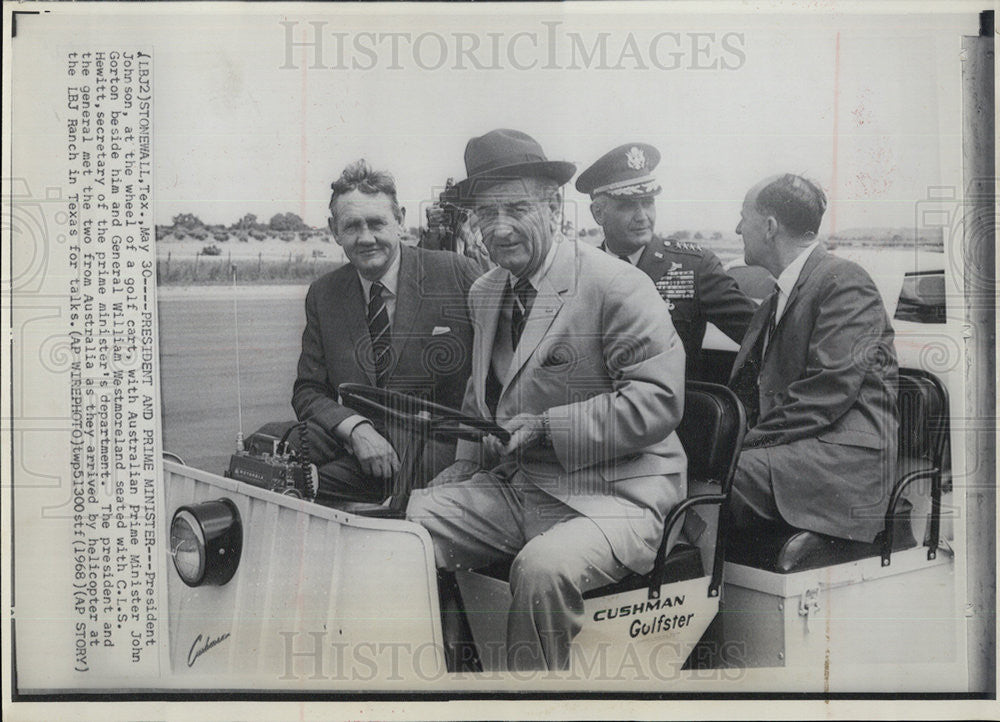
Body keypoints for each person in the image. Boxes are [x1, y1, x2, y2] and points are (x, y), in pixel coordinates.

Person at [406, 129, 688, 671]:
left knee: (542, 569)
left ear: (554, 206)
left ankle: (532, 703)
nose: (499, 227)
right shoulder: (485, 290)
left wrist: (547, 428)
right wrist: (464, 466)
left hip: (618, 496)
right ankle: (439, 682)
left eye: (516, 208)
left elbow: (657, 401)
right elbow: (478, 393)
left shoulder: (616, 285)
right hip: (522, 489)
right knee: (407, 525)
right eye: (485, 214)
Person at [277, 159, 481, 509]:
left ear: (400, 220)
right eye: (352, 226)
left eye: (377, 223)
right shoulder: (324, 294)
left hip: (435, 449)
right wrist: (355, 428)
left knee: (293, 489)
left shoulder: (456, 273)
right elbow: (309, 390)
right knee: (266, 450)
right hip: (357, 444)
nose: (366, 237)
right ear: (333, 230)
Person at [728, 174, 899, 542]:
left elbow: (827, 392)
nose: (738, 227)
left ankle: (695, 593)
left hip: (845, 466)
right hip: (805, 449)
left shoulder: (845, 281)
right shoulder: (783, 293)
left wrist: (739, 445)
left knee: (722, 473)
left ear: (770, 227)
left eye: (744, 217)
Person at [576, 142, 756, 379]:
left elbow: (761, 336)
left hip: (673, 411)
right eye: (628, 205)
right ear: (598, 213)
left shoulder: (694, 267)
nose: (643, 216)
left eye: (648, 202)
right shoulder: (579, 273)